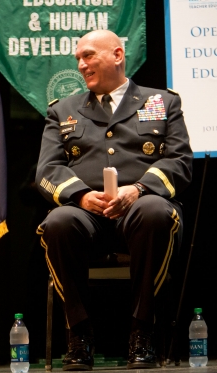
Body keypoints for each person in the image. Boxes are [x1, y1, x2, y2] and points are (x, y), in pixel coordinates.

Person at [35, 30, 193, 370]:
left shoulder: (161, 102)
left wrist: (138, 189)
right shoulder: (63, 110)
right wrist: (80, 195)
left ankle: (142, 332)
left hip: (141, 211)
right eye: (78, 58)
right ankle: (78, 334)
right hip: (86, 217)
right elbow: (47, 170)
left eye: (89, 55)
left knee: (154, 212)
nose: (81, 65)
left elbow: (180, 162)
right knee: (58, 222)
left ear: (118, 55)